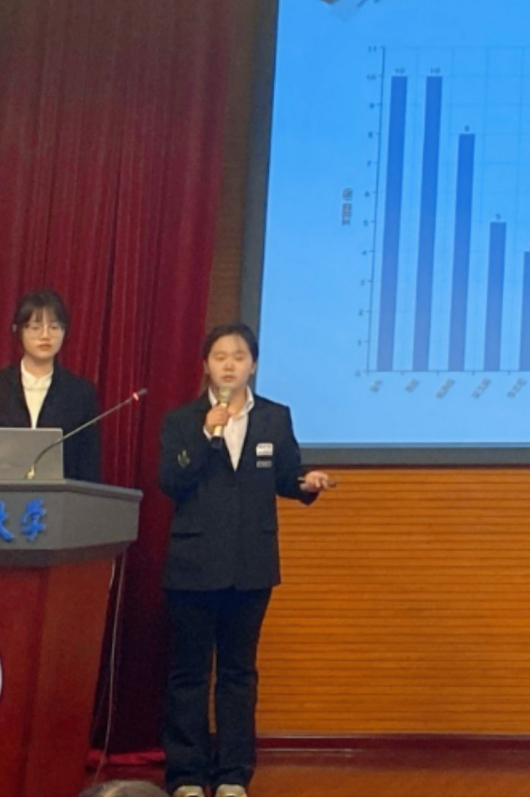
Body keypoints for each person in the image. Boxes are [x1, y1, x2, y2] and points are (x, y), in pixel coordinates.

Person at [158, 322, 334, 797]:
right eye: (220, 357)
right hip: (194, 564)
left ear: (252, 364)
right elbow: (171, 481)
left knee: (238, 674)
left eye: (238, 356)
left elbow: (285, 475)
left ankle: (233, 775)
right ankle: (187, 775)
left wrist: (306, 484)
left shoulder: (275, 417)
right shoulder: (182, 420)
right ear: (206, 365)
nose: (230, 365)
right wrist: (205, 433)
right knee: (190, 674)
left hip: (250, 565)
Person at [0, 288, 104, 482]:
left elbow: (88, 463)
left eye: (54, 327)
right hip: (1, 494)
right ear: (18, 330)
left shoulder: (80, 393)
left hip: (59, 495)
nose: (45, 336)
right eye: (35, 327)